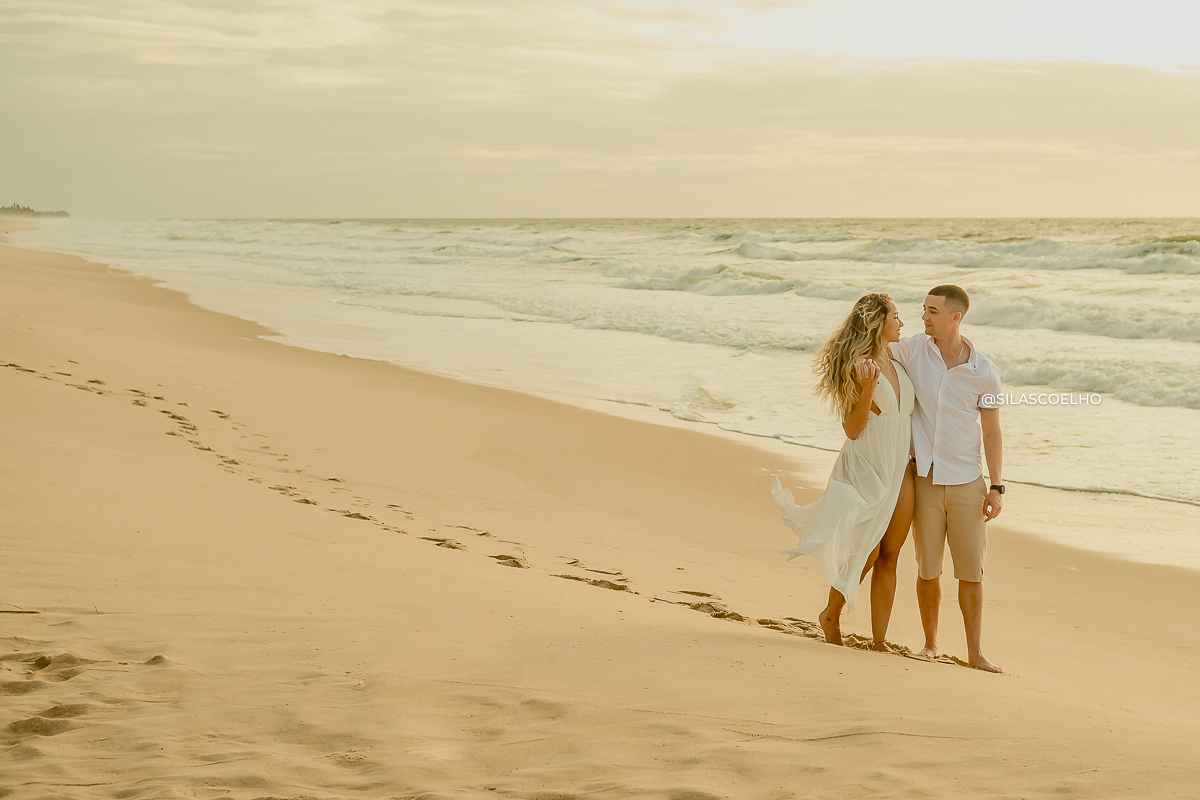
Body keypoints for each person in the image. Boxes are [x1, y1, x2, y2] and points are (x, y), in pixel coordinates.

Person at [772, 293, 915, 649]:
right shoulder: (859, 365)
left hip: (900, 464)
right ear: (878, 322)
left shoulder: (896, 359)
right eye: (896, 317)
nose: (901, 323)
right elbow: (852, 428)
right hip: (868, 463)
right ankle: (831, 613)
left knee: (890, 553)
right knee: (864, 546)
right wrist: (867, 389)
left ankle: (880, 639)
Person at [890, 285, 1005, 673]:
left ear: (956, 317)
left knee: (971, 573)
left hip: (968, 484)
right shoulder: (911, 350)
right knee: (928, 569)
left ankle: (975, 653)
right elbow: (872, 348)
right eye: (924, 309)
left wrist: (997, 487)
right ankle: (930, 644)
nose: (924, 317)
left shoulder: (984, 372)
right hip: (924, 479)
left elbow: (991, 431)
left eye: (933, 311)